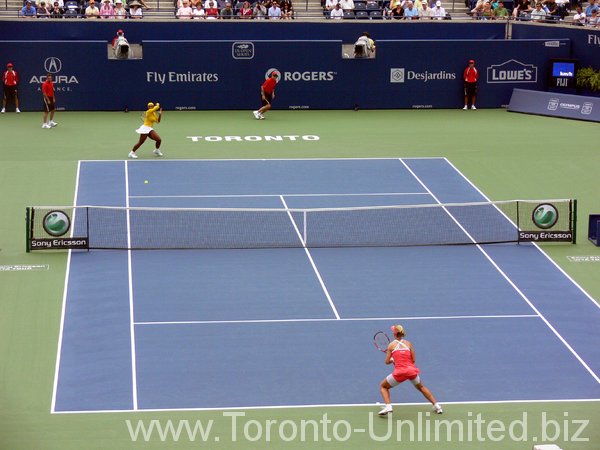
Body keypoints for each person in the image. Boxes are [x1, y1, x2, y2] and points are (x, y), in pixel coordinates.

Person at [378, 325, 443, 416]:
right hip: (412, 371)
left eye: (393, 330)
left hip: (400, 373)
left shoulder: (391, 345)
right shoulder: (408, 343)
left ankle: (388, 406)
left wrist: (393, 359)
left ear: (394, 333)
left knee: (383, 386)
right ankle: (437, 406)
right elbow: (413, 360)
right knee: (421, 387)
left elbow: (387, 362)